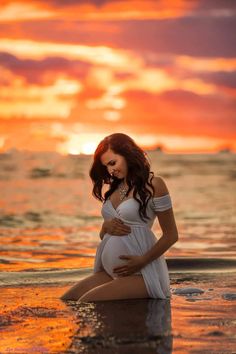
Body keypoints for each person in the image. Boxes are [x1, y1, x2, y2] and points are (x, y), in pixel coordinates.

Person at [61, 133, 178, 302]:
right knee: (68, 300)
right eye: (106, 167)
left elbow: (171, 235)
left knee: (85, 302)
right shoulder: (114, 190)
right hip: (111, 273)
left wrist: (142, 261)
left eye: (113, 163)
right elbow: (106, 236)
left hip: (142, 273)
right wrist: (105, 228)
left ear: (128, 154)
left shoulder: (154, 185)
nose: (110, 170)